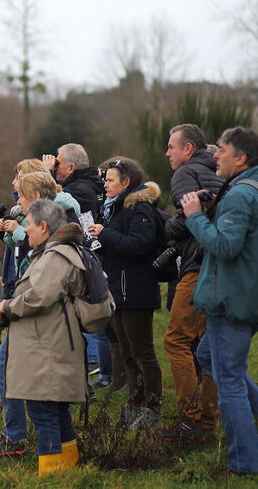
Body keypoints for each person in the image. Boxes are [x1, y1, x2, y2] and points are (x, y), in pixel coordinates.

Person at [180, 127, 258, 478]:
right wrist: (216, 206)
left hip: (233, 301)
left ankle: (243, 465)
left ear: (241, 158)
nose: (215, 156)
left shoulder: (241, 196)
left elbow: (225, 246)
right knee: (207, 355)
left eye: (222, 150)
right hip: (254, 294)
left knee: (227, 381)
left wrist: (195, 214)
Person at [0, 169, 81, 458]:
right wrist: (9, 232)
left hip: (44, 325)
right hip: (47, 324)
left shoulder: (54, 246)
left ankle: (41, 460)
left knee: (40, 401)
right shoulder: (54, 240)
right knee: (53, 403)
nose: (17, 201)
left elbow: (42, 291)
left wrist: (10, 306)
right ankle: (67, 462)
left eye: (20, 195)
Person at [0, 200, 87, 476]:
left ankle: (52, 474)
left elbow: (40, 295)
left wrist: (9, 306)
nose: (25, 231)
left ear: (44, 227)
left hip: (49, 343)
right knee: (56, 410)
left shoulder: (55, 256)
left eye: (29, 225)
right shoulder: (57, 251)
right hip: (52, 339)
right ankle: (70, 469)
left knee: (42, 409)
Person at [155, 124, 222, 443]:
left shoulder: (184, 175)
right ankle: (209, 420)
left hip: (197, 266)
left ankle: (191, 422)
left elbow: (187, 219)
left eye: (171, 147)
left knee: (177, 340)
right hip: (223, 265)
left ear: (188, 150)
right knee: (209, 345)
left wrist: (169, 225)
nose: (167, 153)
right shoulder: (219, 170)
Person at [87, 156, 163, 431]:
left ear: (126, 182)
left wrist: (104, 234)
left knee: (143, 352)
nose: (104, 184)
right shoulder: (114, 208)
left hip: (136, 290)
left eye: (109, 180)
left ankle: (153, 407)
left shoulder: (139, 208)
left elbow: (140, 244)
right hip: (118, 290)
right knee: (129, 353)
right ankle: (135, 402)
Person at [42, 143, 105, 217]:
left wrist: (47, 173)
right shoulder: (86, 183)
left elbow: (46, 205)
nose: (55, 168)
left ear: (71, 168)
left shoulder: (79, 190)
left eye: (57, 164)